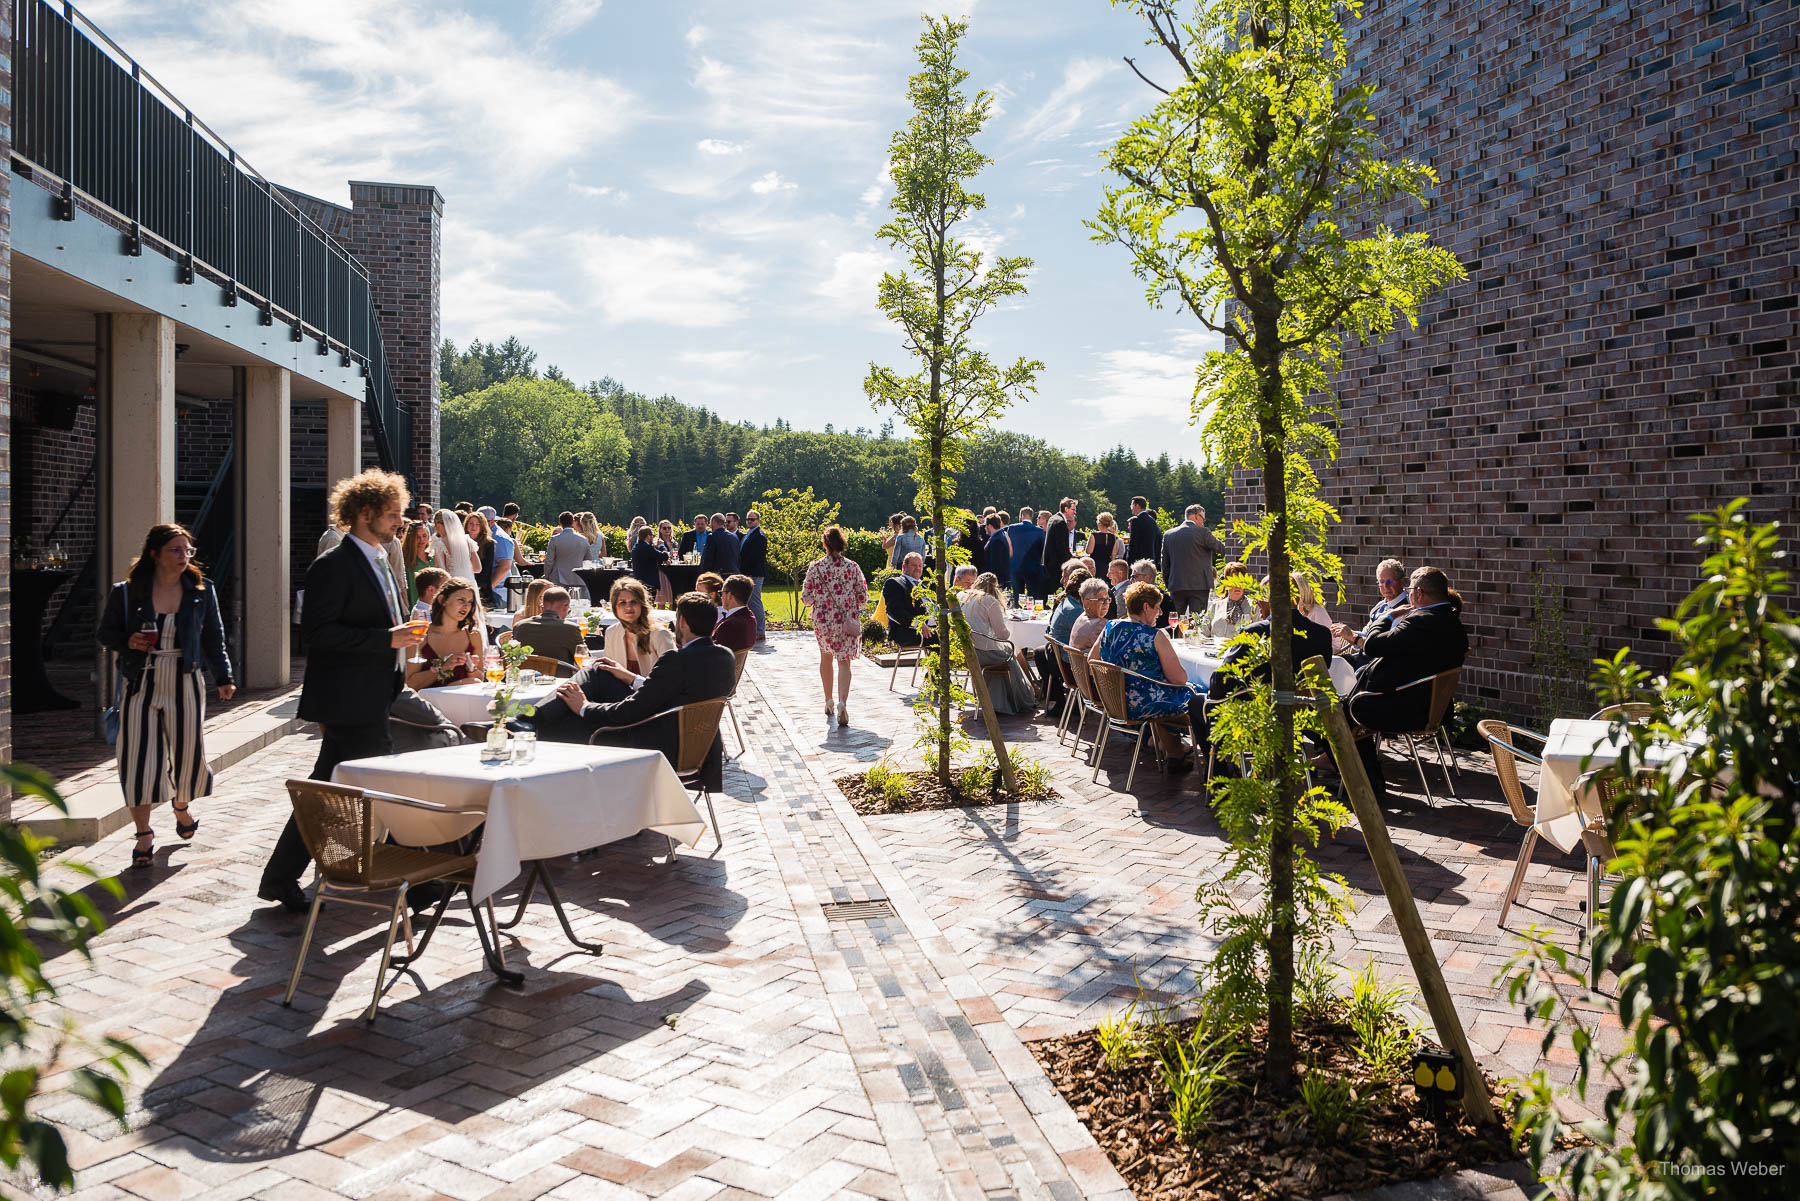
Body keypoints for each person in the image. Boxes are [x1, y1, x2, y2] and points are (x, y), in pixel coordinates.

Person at [259, 469, 426, 912]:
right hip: (349, 697)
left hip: (375, 690)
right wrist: (386, 639)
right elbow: (318, 633)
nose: (399, 524)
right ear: (364, 513)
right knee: (379, 783)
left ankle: (283, 875)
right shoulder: (332, 565)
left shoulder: (382, 560)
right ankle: (420, 878)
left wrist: (401, 640)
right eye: (392, 515)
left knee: (328, 787)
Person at [98, 524, 235, 869]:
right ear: (155, 553)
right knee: (138, 758)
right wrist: (127, 641)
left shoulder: (202, 591)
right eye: (175, 550)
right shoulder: (127, 593)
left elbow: (214, 637)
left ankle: (181, 804)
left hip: (184, 678)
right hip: (140, 681)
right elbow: (106, 633)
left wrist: (224, 676)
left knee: (188, 754)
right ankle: (143, 833)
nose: (183, 557)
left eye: (187, 551)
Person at [538, 593, 736, 790]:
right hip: (694, 747)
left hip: (657, 744)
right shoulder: (725, 656)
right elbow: (674, 689)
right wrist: (630, 677)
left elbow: (630, 711)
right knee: (601, 672)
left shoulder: (676, 660)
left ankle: (530, 727)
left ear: (682, 621)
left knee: (563, 722)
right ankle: (529, 720)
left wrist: (584, 707)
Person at [1340, 567, 1468, 803]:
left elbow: (1374, 645)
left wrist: (1387, 616)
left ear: (1418, 593)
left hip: (1407, 709)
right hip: (1433, 708)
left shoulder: (1419, 621)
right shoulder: (1453, 621)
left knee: (1342, 712)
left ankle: (1367, 785)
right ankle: (1362, 779)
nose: (1408, 595)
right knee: (1349, 706)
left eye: (1409, 590)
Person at [1192, 576, 1334, 762]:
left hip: (1258, 718)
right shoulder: (1322, 634)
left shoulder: (1255, 632)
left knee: (1197, 702)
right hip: (1301, 717)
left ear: (1269, 598)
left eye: (1260, 595)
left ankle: (1219, 774)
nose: (1257, 601)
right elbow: (1321, 675)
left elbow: (1220, 680)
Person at [1094, 581, 1201, 772]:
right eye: (1157, 608)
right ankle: (1212, 760)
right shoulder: (1154, 636)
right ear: (1145, 607)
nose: (1160, 613)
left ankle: (1174, 754)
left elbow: (1093, 660)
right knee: (1197, 694)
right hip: (1145, 704)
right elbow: (1179, 679)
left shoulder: (1109, 627)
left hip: (1115, 702)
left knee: (1165, 692)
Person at [801, 526, 868, 726]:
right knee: (844, 661)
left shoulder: (816, 567)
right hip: (846, 621)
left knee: (826, 658)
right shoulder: (853, 567)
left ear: (824, 544)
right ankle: (842, 703)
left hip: (823, 621)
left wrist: (818, 599)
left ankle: (828, 700)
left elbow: (806, 598)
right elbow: (863, 597)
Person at [958, 571, 1036, 715]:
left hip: (964, 652)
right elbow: (1002, 635)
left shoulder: (962, 596)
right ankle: (1029, 692)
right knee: (1015, 649)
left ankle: (1025, 691)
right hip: (984, 654)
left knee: (1013, 649)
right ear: (995, 587)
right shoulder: (988, 601)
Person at [597, 577, 679, 686]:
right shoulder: (612, 632)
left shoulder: (659, 634)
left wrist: (629, 677)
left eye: (633, 602)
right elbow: (609, 674)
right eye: (622, 603)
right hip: (620, 696)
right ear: (614, 607)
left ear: (641, 604)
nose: (628, 607)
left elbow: (672, 678)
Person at [406, 577, 484, 691]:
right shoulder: (421, 635)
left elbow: (479, 680)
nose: (466, 606)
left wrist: (471, 668)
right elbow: (410, 684)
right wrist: (443, 667)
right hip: (427, 703)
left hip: (463, 700)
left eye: (470, 602)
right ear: (442, 600)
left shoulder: (473, 635)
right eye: (461, 600)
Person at [1332, 558, 1409, 667]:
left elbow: (1380, 647)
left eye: (1390, 582)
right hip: (1362, 660)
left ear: (1402, 582)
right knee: (1327, 664)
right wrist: (1345, 633)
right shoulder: (1380, 606)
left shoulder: (1406, 609)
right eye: (1381, 582)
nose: (1385, 587)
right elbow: (1366, 635)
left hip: (1377, 666)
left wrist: (1353, 637)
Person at [1160, 503, 1229, 614]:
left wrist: (1169, 583)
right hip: (1199, 586)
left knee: (1176, 622)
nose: (1203, 522)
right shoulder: (1203, 532)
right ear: (1196, 516)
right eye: (1203, 519)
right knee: (1197, 623)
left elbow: (1165, 563)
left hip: (1176, 585)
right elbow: (1222, 549)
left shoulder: (1168, 534)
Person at [510, 586, 583, 666]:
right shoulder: (571, 629)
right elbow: (583, 658)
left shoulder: (519, 626)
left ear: (542, 608)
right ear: (566, 607)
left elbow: (513, 657)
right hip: (561, 677)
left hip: (526, 675)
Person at [883, 553, 934, 649]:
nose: (918, 568)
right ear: (904, 566)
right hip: (909, 631)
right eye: (914, 565)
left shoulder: (924, 586)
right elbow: (895, 611)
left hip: (933, 628)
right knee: (943, 640)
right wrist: (918, 623)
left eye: (920, 566)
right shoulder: (895, 583)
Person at [1002, 507, 1045, 606]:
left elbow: (1007, 546)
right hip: (1033, 568)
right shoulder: (1039, 531)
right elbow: (1043, 548)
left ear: (1021, 516)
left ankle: (1018, 617)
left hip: (1015, 567)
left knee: (1017, 597)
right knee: (1032, 597)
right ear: (1032, 517)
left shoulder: (1012, 528)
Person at [1202, 561, 1258, 637]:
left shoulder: (1253, 607)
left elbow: (1259, 635)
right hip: (1214, 647)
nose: (1238, 586)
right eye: (1234, 582)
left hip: (1239, 648)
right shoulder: (1215, 606)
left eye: (1241, 582)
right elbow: (1202, 632)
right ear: (1226, 583)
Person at [739, 509, 768, 640]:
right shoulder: (748, 534)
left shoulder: (760, 536)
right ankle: (753, 629)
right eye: (747, 519)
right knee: (749, 602)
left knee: (755, 601)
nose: (749, 521)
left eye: (752, 519)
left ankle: (760, 631)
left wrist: (741, 569)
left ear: (758, 521)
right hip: (748, 573)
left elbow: (754, 557)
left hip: (754, 573)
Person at [1041, 498, 1080, 595]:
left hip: (1049, 564)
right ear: (1066, 509)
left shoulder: (1053, 518)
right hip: (1056, 566)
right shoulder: (1061, 522)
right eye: (1073, 509)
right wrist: (1069, 563)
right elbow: (1061, 547)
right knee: (1055, 594)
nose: (1075, 512)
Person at [543, 510, 589, 588]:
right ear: (573, 522)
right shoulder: (583, 540)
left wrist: (547, 576)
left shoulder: (555, 539)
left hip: (558, 578)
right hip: (578, 578)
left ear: (560, 523)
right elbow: (588, 560)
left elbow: (549, 561)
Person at [1068, 576, 1113, 654]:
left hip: (1078, 665)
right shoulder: (1101, 623)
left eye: (1108, 599)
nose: (1106, 603)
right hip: (1089, 666)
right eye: (1101, 600)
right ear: (1087, 603)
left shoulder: (1080, 618)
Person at [713, 575, 757, 652]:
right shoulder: (750, 618)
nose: (721, 597)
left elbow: (712, 654)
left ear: (729, 595)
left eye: (721, 593)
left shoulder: (728, 625)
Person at [464, 512, 498, 605]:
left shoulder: (488, 544)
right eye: (471, 523)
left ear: (482, 526)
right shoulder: (461, 541)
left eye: (477, 524)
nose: (473, 527)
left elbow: (486, 570)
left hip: (481, 589)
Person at [401, 520, 435, 608]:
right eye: (417, 537)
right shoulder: (405, 558)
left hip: (432, 603)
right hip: (412, 602)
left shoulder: (433, 555)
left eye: (424, 536)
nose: (422, 540)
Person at [629, 522, 669, 593]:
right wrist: (662, 546)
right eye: (652, 535)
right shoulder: (647, 547)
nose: (653, 538)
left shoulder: (636, 546)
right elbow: (664, 556)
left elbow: (654, 556)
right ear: (648, 536)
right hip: (649, 583)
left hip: (639, 582)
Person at [699, 513, 741, 577]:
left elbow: (707, 559)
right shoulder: (734, 537)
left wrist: (704, 574)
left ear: (713, 522)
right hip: (734, 573)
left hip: (719, 575)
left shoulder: (712, 537)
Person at [489, 511, 516, 606]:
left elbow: (504, 567)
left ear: (491, 521)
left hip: (498, 592)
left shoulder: (501, 539)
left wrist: (489, 588)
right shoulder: (490, 535)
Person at [1125, 497, 1162, 568]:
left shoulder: (1136, 520)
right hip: (1151, 561)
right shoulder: (1152, 521)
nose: (1131, 508)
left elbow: (1133, 544)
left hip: (1138, 562)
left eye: (1131, 505)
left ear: (1137, 505)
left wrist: (1129, 562)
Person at [985, 513, 1011, 590]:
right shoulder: (999, 536)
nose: (985, 527)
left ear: (989, 526)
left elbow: (996, 563)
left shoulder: (997, 540)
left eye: (986, 525)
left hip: (997, 581)